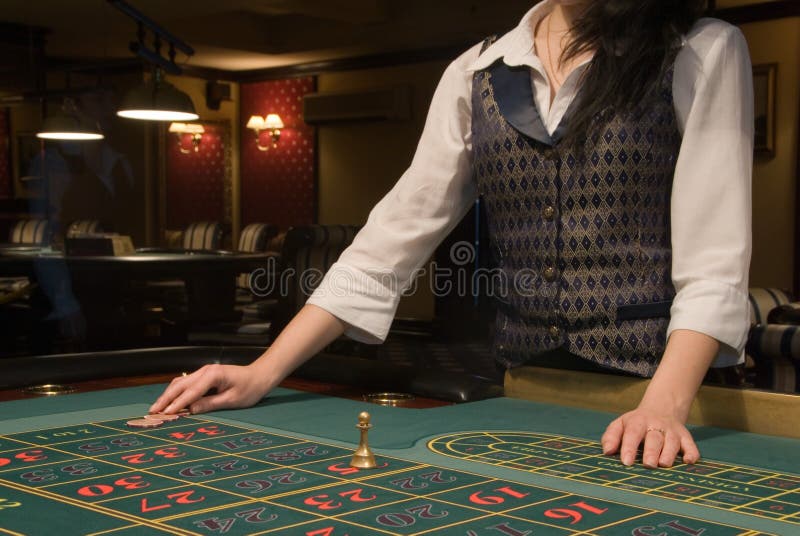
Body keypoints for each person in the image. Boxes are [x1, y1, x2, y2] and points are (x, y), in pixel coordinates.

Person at [151, 0, 753, 470]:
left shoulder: (700, 50)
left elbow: (714, 262)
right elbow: (389, 242)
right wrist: (262, 371)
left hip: (670, 394)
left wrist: (661, 408)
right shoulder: (476, 70)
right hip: (527, 390)